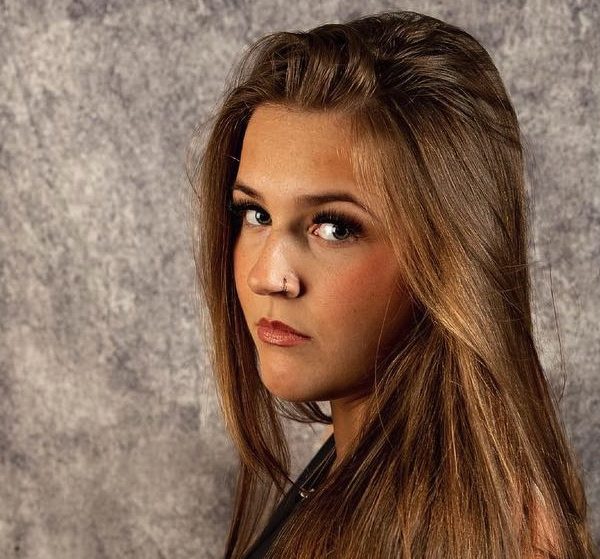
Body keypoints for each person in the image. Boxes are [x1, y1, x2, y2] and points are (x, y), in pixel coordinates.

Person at [186, 10, 597, 559]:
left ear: (447, 254)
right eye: (255, 214)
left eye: (335, 227)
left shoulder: (490, 538)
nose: (268, 277)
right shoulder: (356, 466)